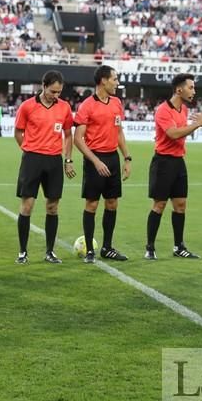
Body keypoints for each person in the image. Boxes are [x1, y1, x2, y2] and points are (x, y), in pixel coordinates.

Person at [144, 74, 202, 260]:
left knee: (181, 205)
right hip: (163, 162)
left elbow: (181, 134)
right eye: (191, 87)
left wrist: (195, 124)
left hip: (178, 162)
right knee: (159, 205)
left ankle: (179, 246)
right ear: (178, 89)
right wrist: (197, 124)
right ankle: (150, 247)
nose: (194, 91)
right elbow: (173, 134)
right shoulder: (163, 110)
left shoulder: (183, 109)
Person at [13, 70, 75, 264]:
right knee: (27, 205)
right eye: (53, 91)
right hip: (32, 159)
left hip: (54, 161)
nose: (56, 96)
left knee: (53, 207)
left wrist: (68, 159)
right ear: (44, 86)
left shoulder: (64, 108)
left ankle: (50, 251)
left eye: (59, 92)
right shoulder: (27, 106)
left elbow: (68, 134)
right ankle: (23, 252)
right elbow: (18, 132)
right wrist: (28, 149)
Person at [74, 65, 131, 263]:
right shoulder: (87, 105)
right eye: (114, 79)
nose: (117, 82)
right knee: (92, 204)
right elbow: (78, 139)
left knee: (112, 203)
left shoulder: (116, 102)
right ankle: (90, 250)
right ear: (103, 81)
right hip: (94, 159)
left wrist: (127, 158)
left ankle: (107, 247)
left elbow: (119, 132)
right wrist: (96, 161)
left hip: (112, 158)